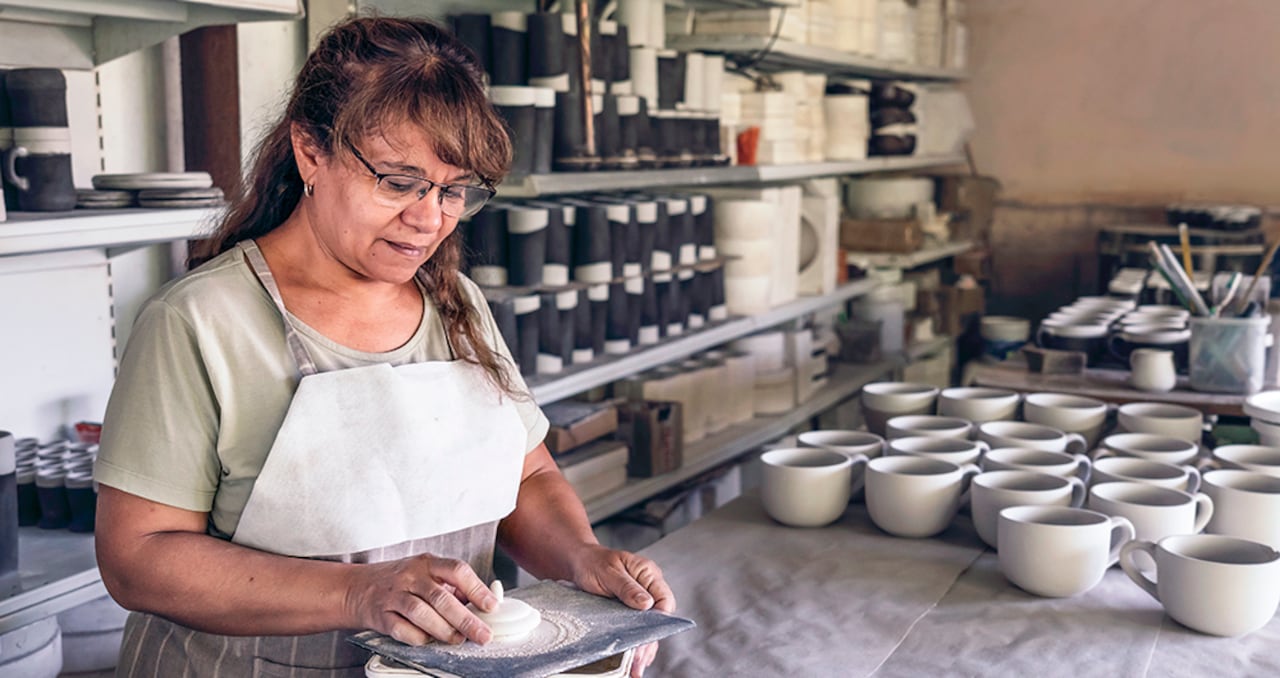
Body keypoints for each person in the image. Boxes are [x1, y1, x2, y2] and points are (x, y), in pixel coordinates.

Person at [94, 15, 674, 677]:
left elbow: (528, 476)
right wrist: (358, 593)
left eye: (454, 191)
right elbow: (137, 558)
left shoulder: (456, 306)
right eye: (398, 182)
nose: (428, 219)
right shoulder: (200, 322)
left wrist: (581, 558)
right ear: (310, 151)